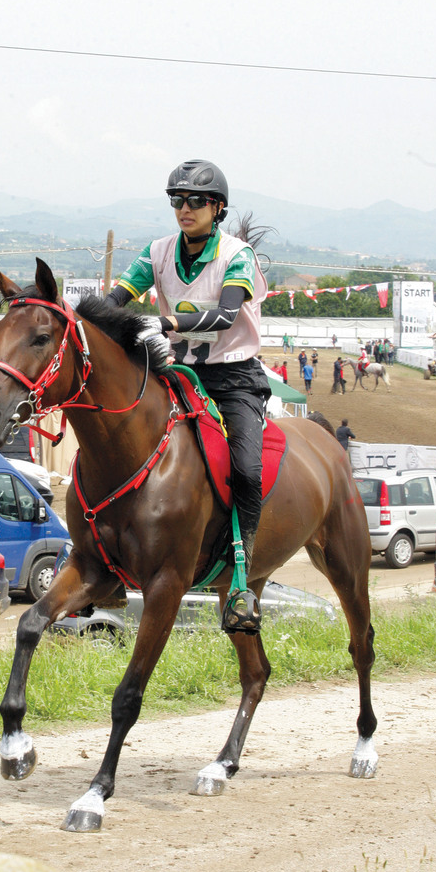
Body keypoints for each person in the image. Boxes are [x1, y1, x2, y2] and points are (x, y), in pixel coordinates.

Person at [105, 158, 270, 634]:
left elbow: (224, 318)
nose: (185, 208)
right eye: (178, 200)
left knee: (246, 470)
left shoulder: (238, 255)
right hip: (175, 374)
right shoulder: (156, 251)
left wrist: (166, 322)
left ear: (217, 208)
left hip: (232, 378)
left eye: (196, 201)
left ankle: (242, 579)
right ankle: (99, 556)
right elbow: (117, 300)